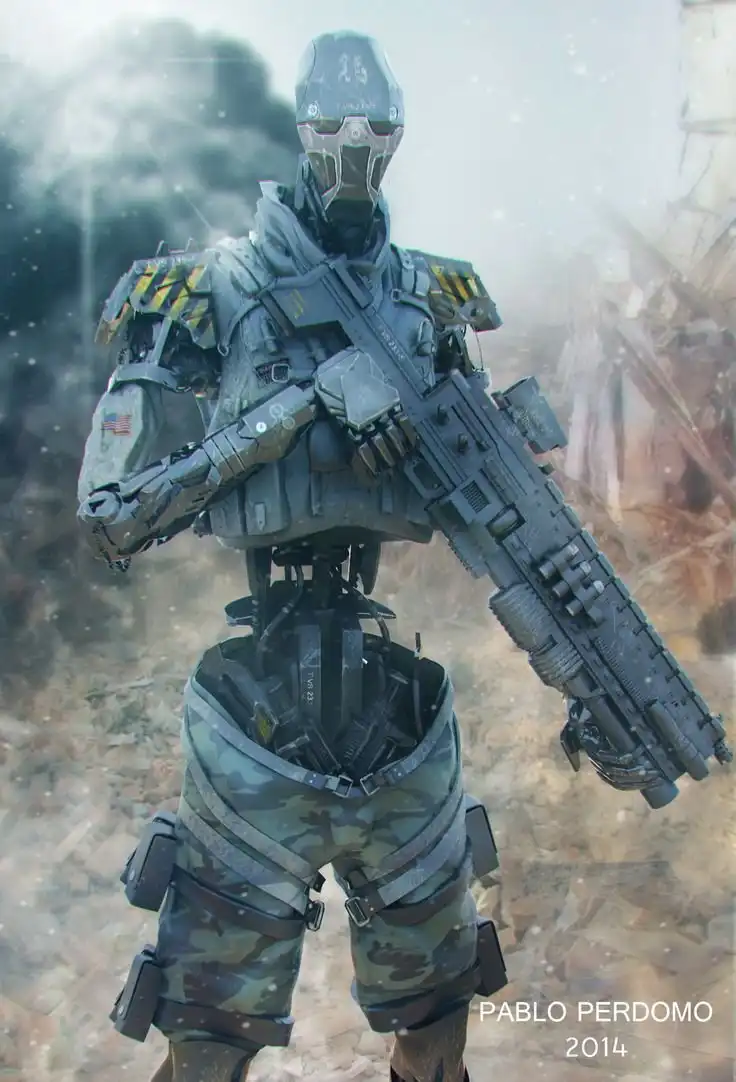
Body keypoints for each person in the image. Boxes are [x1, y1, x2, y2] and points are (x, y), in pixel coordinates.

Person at [78, 31, 508, 1082]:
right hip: (254, 710)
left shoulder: (429, 301)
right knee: (208, 1041)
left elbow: (497, 501)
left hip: (395, 704)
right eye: (332, 129)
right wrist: (292, 414)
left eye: (377, 131)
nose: (355, 152)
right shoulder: (206, 291)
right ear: (302, 134)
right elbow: (113, 512)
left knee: (437, 1026)